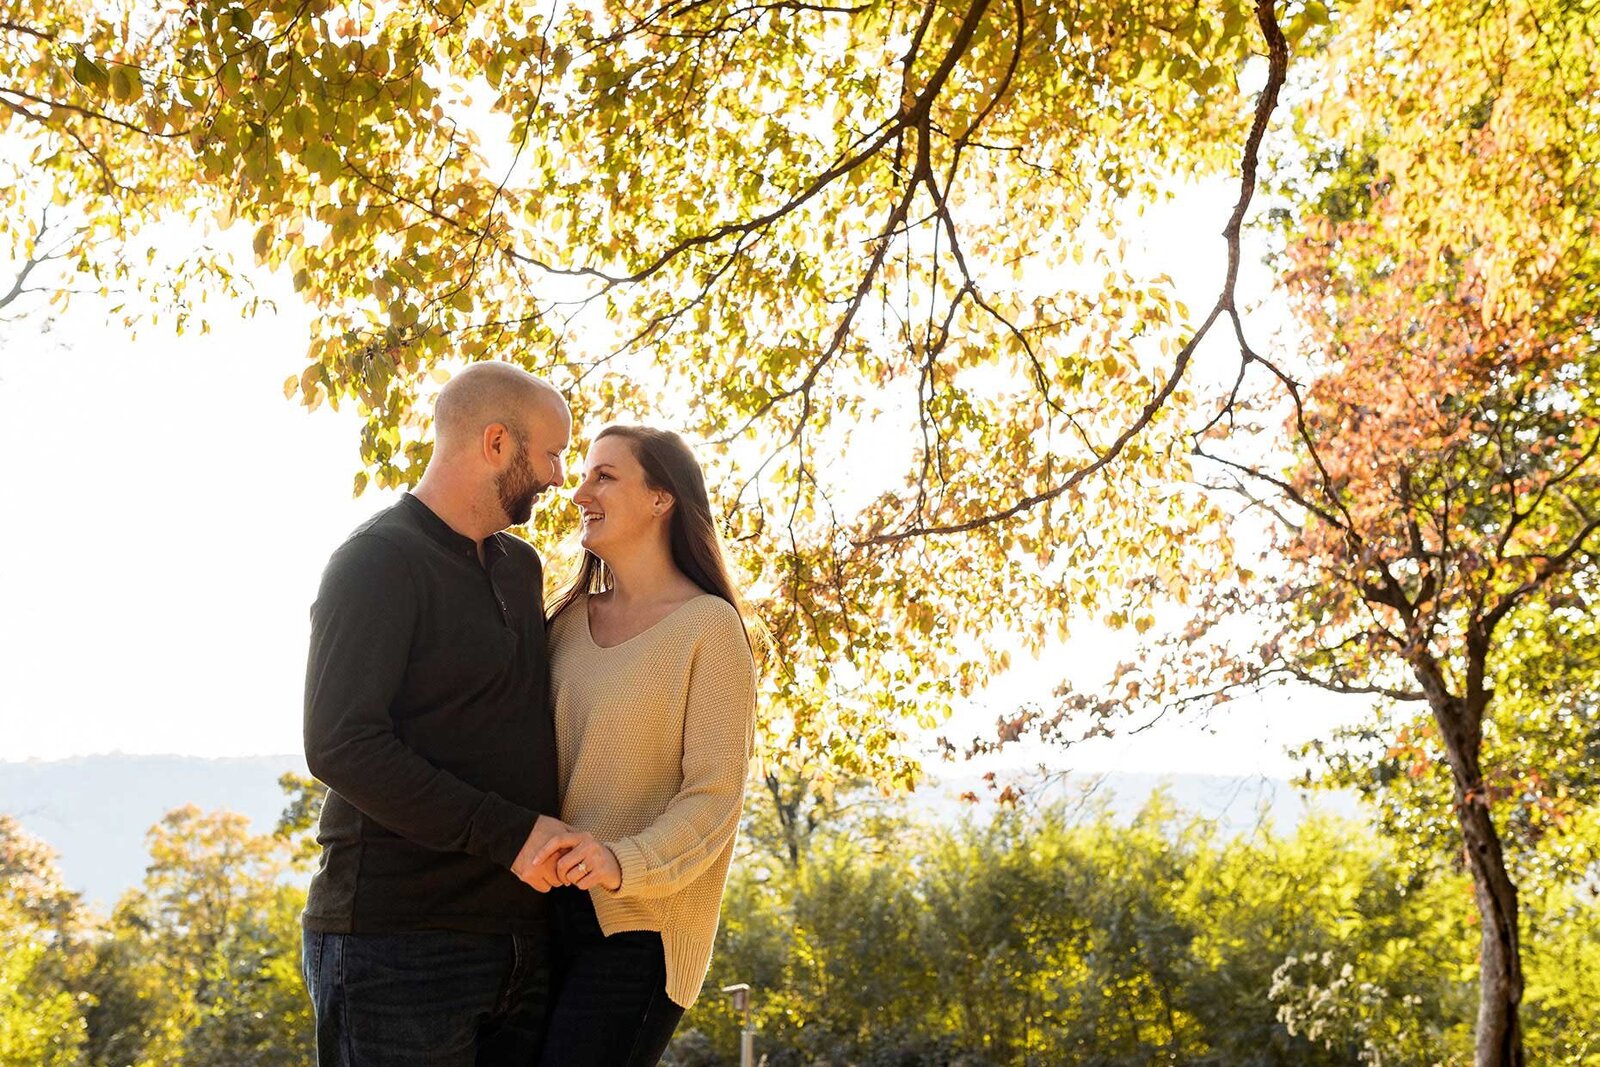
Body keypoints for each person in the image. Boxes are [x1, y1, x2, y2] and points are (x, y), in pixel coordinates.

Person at [300, 362, 576, 1066]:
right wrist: (510, 834)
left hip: (520, 937)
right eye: (550, 453)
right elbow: (341, 744)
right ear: (494, 444)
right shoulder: (375, 562)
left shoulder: (522, 567)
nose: (558, 476)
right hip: (395, 946)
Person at [530, 425, 759, 1067]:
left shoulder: (709, 628)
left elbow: (715, 800)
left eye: (604, 476)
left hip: (642, 926)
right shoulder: (564, 620)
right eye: (583, 475)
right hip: (537, 915)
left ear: (662, 498)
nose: (579, 492)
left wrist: (622, 860)